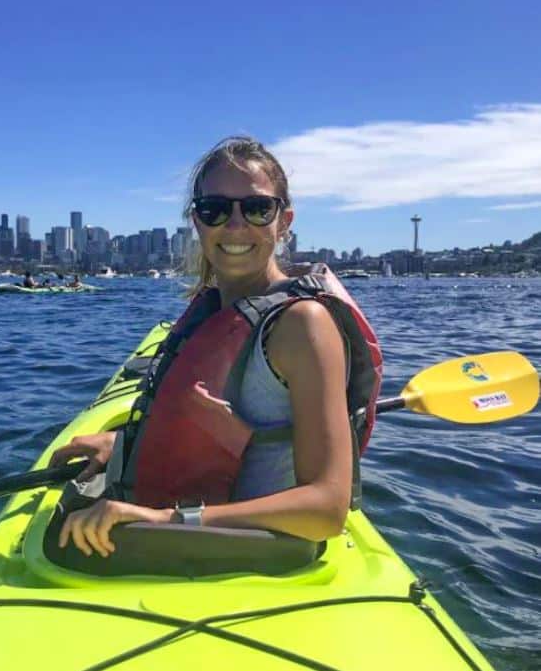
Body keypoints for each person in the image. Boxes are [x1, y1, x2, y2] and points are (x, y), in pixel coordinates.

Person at [49, 136, 381, 559]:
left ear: (285, 221)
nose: (236, 225)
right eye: (215, 210)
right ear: (197, 221)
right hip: (181, 537)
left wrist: (165, 519)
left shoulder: (301, 324)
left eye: (258, 209)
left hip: (248, 559)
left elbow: (326, 509)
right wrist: (126, 446)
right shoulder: (212, 311)